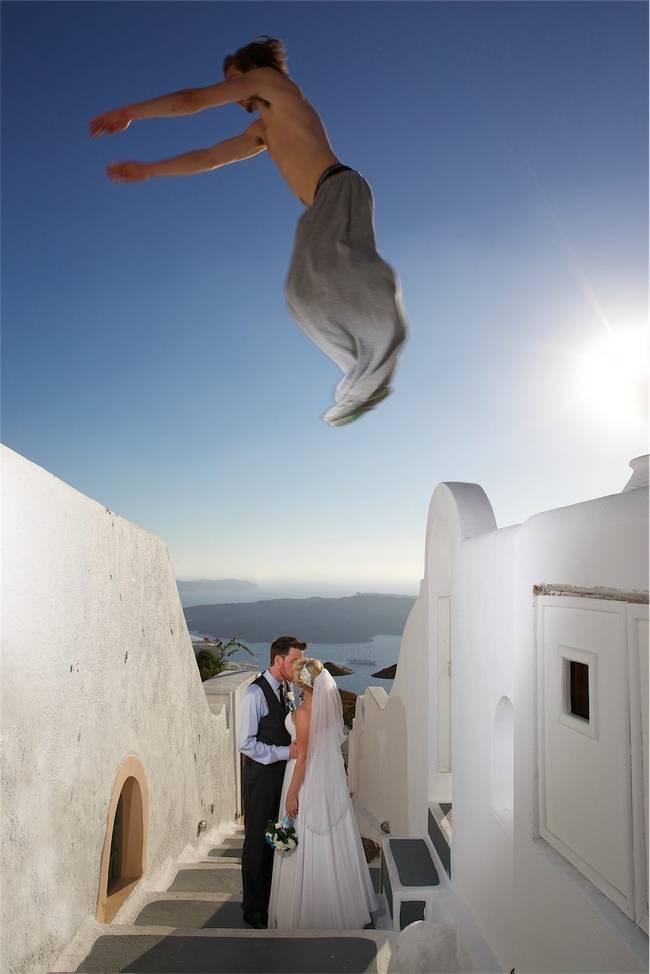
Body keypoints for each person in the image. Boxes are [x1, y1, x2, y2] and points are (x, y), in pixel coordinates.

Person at [89, 36, 407, 427]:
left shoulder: (271, 83)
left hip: (339, 186)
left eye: (231, 80)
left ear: (248, 69)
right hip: (326, 201)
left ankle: (380, 310)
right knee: (301, 294)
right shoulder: (264, 128)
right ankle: (362, 377)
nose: (232, 92)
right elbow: (209, 158)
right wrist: (150, 169)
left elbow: (193, 100)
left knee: (322, 275)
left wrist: (129, 112)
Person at [267, 656, 379, 929]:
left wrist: (292, 795)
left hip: (303, 777)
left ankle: (306, 912)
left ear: (303, 681)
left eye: (296, 672)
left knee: (302, 834)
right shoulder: (323, 710)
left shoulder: (305, 712)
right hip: (324, 779)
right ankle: (339, 905)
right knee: (331, 837)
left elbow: (303, 757)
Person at [237, 635, 305, 929]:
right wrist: (284, 752)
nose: (299, 667)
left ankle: (270, 900)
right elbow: (245, 743)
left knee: (274, 837)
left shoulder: (288, 688)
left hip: (282, 778)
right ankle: (253, 909)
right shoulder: (254, 694)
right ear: (278, 660)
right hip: (262, 779)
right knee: (256, 842)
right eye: (295, 661)